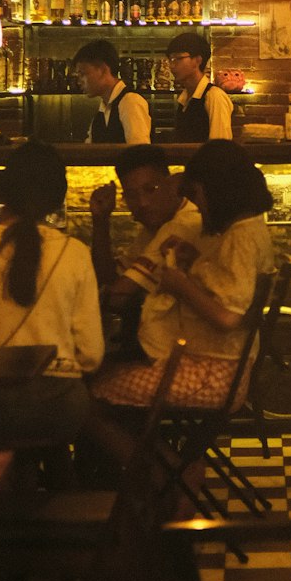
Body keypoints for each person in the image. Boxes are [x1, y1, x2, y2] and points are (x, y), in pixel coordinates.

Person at [90, 140, 275, 411]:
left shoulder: (240, 237)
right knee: (105, 380)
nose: (198, 207)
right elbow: (229, 285)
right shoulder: (246, 230)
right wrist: (196, 262)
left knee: (94, 391)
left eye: (199, 197)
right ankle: (155, 455)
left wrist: (180, 285)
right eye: (131, 194)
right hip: (215, 367)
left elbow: (228, 317)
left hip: (211, 374)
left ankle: (148, 456)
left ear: (219, 192)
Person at [0, 141, 105, 450]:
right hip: (58, 408)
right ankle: (60, 491)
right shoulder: (74, 253)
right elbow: (91, 355)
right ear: (57, 196)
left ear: (6, 189)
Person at [88, 143, 203, 348]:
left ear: (172, 185)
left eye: (150, 190)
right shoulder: (156, 226)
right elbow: (110, 280)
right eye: (131, 195)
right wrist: (100, 220)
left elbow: (117, 296)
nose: (142, 203)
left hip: (183, 351)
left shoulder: (182, 225)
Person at [72, 38, 152, 144]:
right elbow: (89, 151)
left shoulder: (130, 102)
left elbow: (140, 153)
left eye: (83, 74)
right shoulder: (102, 111)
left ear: (103, 70)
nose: (79, 81)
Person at [164, 30, 233, 142]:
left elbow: (220, 147)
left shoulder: (214, 96)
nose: (172, 65)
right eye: (170, 60)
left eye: (178, 59)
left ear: (197, 60)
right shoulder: (185, 97)